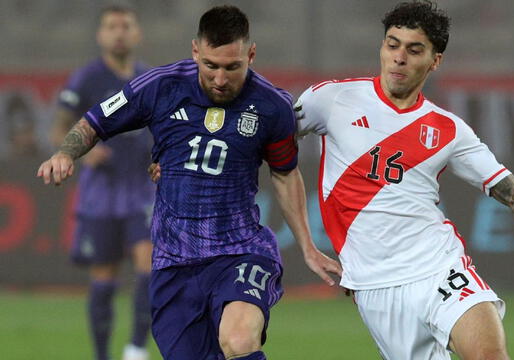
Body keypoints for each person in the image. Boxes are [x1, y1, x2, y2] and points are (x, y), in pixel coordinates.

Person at [294, 1, 514, 360]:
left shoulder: (449, 130)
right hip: (376, 285)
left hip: (439, 266)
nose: (399, 58)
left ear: (434, 60)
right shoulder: (331, 99)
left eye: (414, 49)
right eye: (392, 45)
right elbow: (270, 144)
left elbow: (510, 190)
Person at [38, 5, 341, 360]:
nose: (220, 79)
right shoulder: (161, 86)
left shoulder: (272, 106)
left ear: (251, 54)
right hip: (174, 262)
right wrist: (64, 154)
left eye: (233, 67)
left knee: (240, 340)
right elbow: (94, 122)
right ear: (195, 50)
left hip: (241, 250)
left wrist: (307, 246)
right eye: (210, 65)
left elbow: (285, 172)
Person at [50, 5, 153, 360]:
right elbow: (59, 127)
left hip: (142, 190)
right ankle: (101, 355)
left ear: (137, 33)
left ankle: (136, 348)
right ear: (101, 35)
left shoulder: (147, 80)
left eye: (126, 25)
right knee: (104, 274)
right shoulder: (87, 79)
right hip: (101, 194)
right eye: (112, 26)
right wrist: (82, 151)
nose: (119, 32)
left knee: (149, 262)